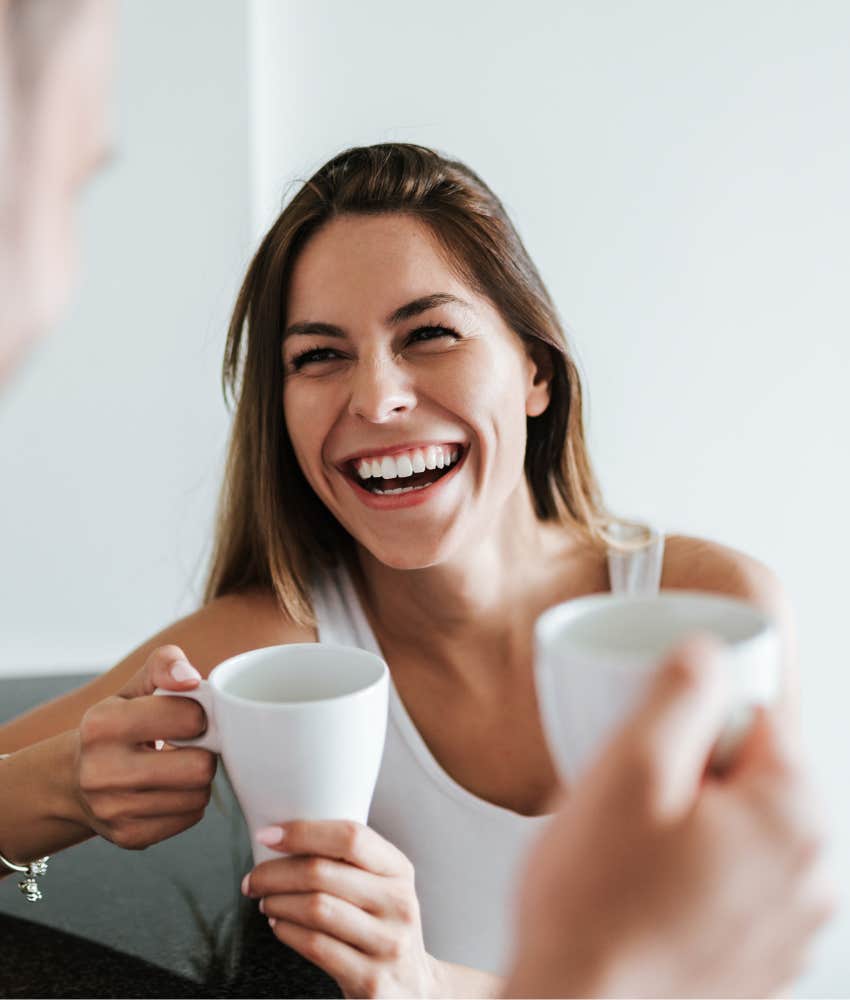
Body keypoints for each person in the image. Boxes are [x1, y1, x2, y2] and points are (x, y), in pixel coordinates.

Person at [0, 3, 833, 996]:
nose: (377, 397)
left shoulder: (711, 618)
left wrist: (427, 980)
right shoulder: (275, 648)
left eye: (428, 332)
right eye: (319, 355)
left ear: (534, 370)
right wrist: (68, 787)